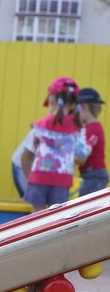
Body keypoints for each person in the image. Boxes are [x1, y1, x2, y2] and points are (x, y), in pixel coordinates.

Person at [25, 77, 91, 213]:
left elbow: (29, 150)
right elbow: (82, 153)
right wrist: (90, 144)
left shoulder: (40, 125)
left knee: (35, 216)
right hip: (62, 180)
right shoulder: (78, 128)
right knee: (57, 216)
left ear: (52, 100)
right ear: (74, 105)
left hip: (38, 176)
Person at [12, 95, 60, 199]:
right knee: (33, 199)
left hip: (36, 169)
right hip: (22, 166)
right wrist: (32, 184)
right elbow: (25, 158)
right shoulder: (42, 129)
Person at [76, 87, 107, 197]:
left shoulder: (92, 129)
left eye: (76, 109)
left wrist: (63, 155)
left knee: (86, 210)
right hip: (92, 175)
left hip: (93, 177)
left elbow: (82, 159)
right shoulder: (93, 128)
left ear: (84, 106)